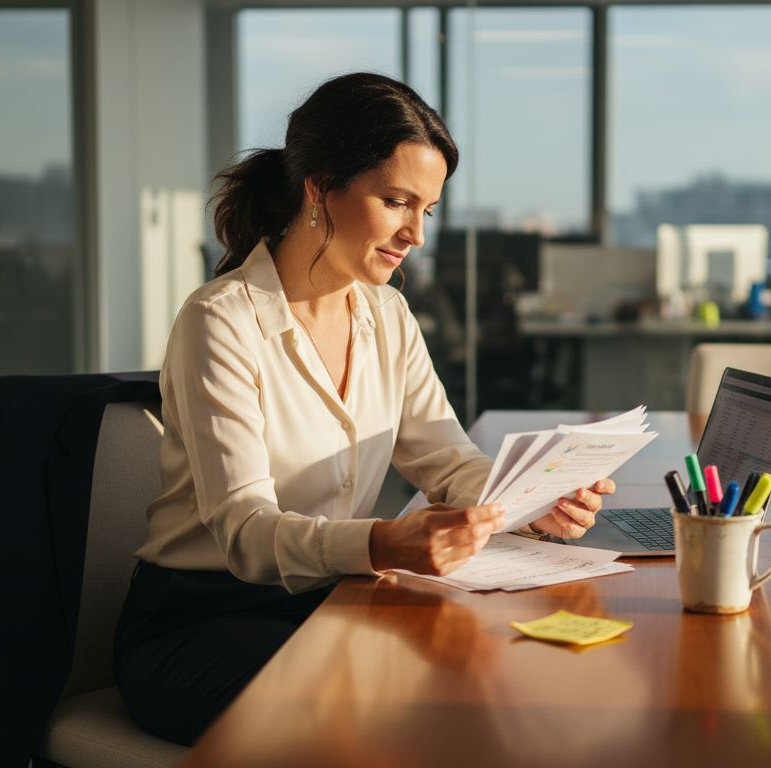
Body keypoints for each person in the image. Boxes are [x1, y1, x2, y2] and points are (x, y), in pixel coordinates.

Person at [113, 72, 616, 746]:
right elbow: (246, 531)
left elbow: (446, 459)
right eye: (396, 201)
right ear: (319, 189)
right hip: (202, 623)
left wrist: (529, 501)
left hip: (330, 600)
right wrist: (380, 542)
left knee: (489, 676)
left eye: (427, 209)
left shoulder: (387, 314)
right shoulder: (221, 321)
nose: (416, 234)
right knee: (389, 720)